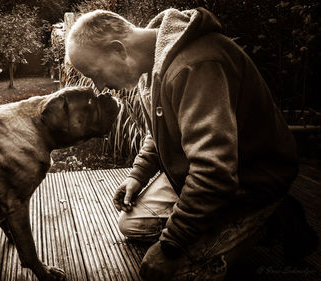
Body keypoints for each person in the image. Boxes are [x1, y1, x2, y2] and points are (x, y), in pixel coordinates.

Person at [66, 7, 317, 281]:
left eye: (94, 73)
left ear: (118, 50)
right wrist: (137, 176)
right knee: (131, 225)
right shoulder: (151, 67)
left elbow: (214, 172)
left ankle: (269, 217)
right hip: (200, 176)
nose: (100, 87)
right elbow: (160, 133)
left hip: (249, 181)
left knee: (180, 274)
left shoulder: (196, 64)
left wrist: (171, 245)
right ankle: (222, 221)